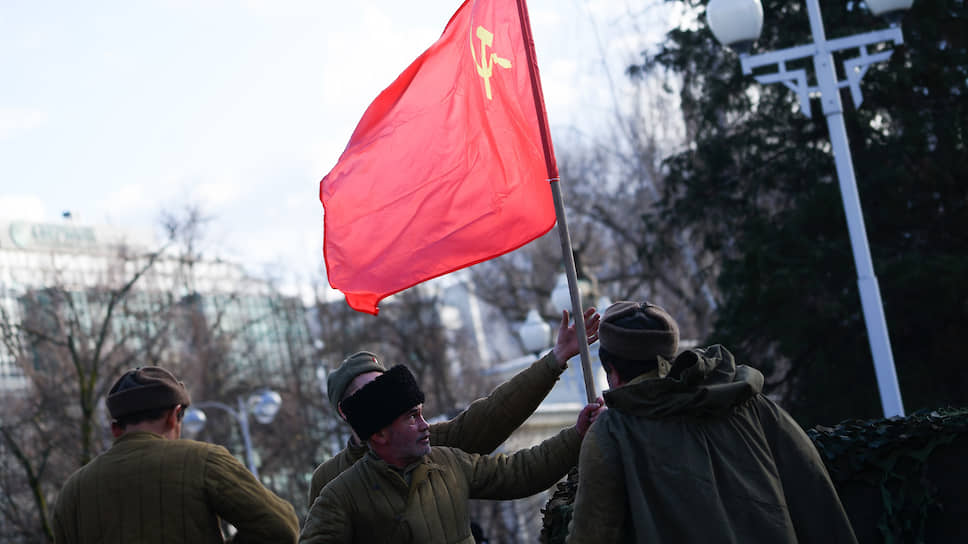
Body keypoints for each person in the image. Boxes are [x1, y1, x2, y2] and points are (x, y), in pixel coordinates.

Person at [566, 301, 858, 544]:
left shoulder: (612, 433)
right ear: (669, 357)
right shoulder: (751, 404)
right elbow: (816, 499)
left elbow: (590, 537)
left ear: (612, 372)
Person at [308, 307, 600, 505]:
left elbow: (495, 419)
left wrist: (554, 360)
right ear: (346, 411)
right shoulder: (330, 480)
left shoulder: (433, 449)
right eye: (370, 391)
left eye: (385, 385)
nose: (385, 397)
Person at [299, 364, 603, 543]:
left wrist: (577, 435)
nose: (424, 425)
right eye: (411, 417)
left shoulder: (447, 461)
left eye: (421, 413)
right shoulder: (338, 495)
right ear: (378, 434)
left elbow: (521, 472)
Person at [52, 366, 299, 544]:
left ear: (115, 429)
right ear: (174, 415)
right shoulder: (202, 460)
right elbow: (280, 527)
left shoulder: (73, 491)